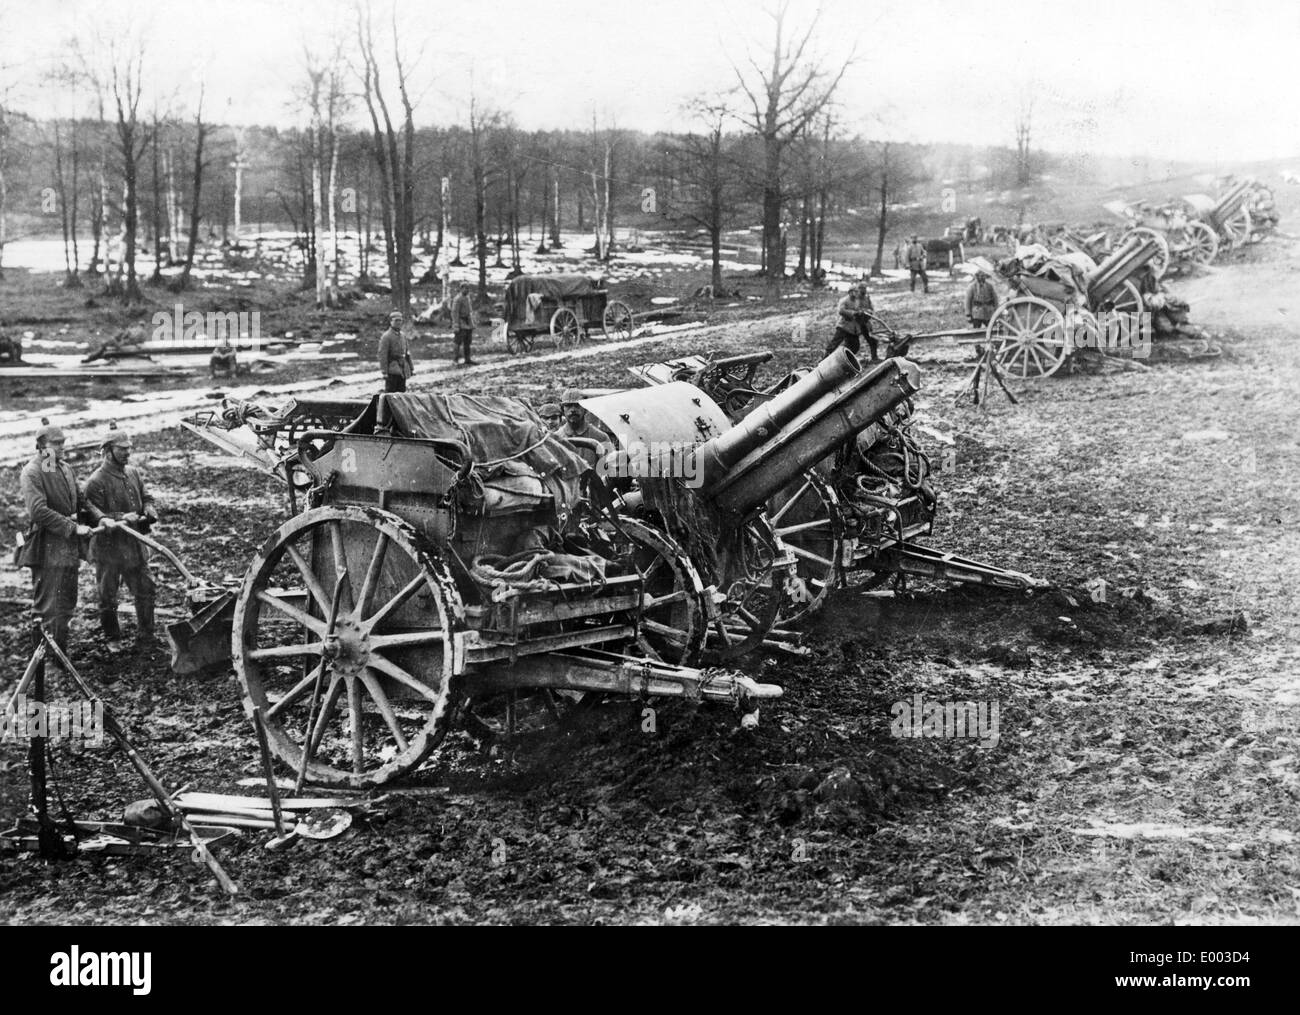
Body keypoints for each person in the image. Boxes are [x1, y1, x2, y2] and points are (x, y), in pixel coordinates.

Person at [17, 420, 111, 654]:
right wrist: (73, 527)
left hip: (67, 547)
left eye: (62, 443)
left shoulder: (63, 468)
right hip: (48, 547)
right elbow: (38, 511)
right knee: (48, 605)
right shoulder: (33, 472)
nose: (61, 447)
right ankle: (45, 658)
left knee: (66, 602)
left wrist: (100, 518)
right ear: (41, 446)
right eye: (55, 443)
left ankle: (59, 652)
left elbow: (82, 501)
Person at [84, 425, 158, 653]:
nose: (128, 453)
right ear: (108, 451)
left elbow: (146, 495)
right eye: (122, 449)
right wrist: (118, 517)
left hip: (134, 545)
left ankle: (146, 636)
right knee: (108, 596)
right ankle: (112, 638)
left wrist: (149, 506)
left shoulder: (133, 472)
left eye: (129, 448)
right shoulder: (95, 481)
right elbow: (90, 515)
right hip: (109, 550)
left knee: (146, 588)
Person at [825, 283, 879, 361]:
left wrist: (864, 312)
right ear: (850, 292)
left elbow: (869, 309)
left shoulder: (862, 299)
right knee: (834, 344)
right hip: (844, 326)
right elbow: (841, 310)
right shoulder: (845, 300)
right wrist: (854, 313)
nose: (859, 292)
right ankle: (825, 359)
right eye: (856, 291)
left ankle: (844, 359)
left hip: (856, 327)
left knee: (855, 346)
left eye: (863, 289)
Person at [377, 311, 413, 392]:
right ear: (391, 322)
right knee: (390, 393)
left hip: (402, 369)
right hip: (392, 369)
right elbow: (382, 355)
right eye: (396, 320)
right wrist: (384, 371)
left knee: (401, 392)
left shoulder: (403, 336)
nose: (398, 323)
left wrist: (411, 368)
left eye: (400, 320)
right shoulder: (386, 336)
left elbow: (407, 353)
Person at [450, 284, 476, 366]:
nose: (467, 290)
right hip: (460, 323)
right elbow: (454, 312)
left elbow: (469, 311)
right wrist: (456, 325)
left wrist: (472, 323)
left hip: (468, 322)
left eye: (468, 288)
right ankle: (455, 359)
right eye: (465, 288)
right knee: (457, 342)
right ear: (461, 289)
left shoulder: (467, 298)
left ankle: (467, 359)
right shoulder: (457, 299)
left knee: (467, 342)